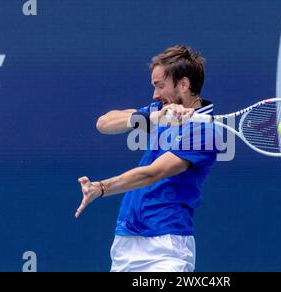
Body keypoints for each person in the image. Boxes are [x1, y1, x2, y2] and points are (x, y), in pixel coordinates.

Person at [75, 45, 219, 272]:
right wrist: (154, 117)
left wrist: (101, 188)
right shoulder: (160, 109)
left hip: (167, 247)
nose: (155, 94)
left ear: (184, 84)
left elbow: (153, 173)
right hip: (126, 238)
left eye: (160, 86)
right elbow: (104, 123)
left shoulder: (205, 132)